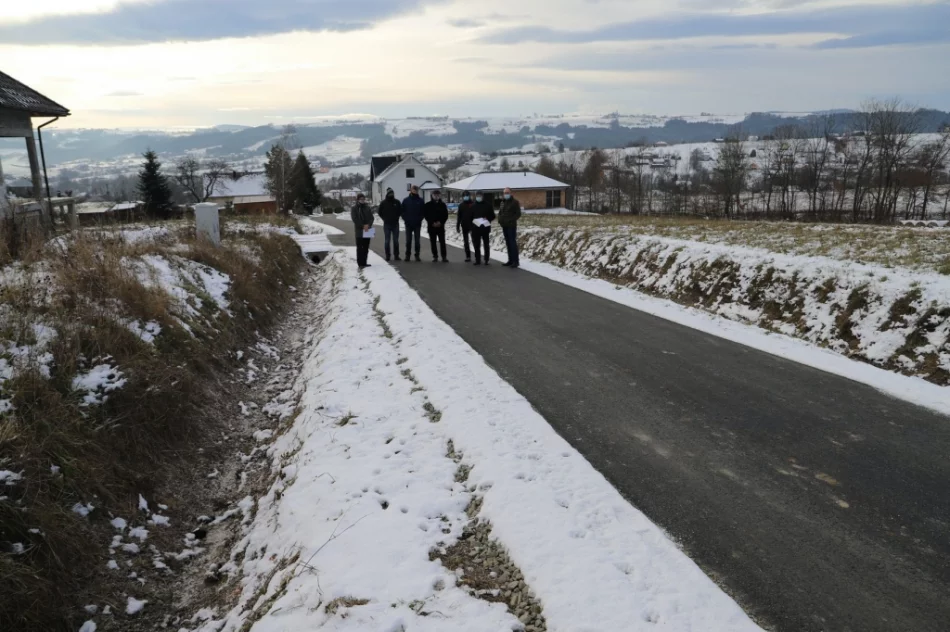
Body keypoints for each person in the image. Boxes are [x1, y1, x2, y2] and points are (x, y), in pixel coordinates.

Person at [498, 186, 522, 268]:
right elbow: (500, 213)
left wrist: (511, 220)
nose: (506, 194)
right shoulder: (502, 202)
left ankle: (516, 261)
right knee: (508, 243)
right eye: (505, 193)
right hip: (504, 226)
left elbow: (518, 214)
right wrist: (500, 220)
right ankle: (510, 260)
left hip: (511, 226)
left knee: (512, 243)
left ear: (511, 193)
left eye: (507, 193)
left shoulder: (515, 202)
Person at [350, 193, 374, 269]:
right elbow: (355, 219)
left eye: (363, 199)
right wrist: (362, 226)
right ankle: (360, 263)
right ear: (358, 200)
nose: (362, 200)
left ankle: (364, 262)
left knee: (366, 247)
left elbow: (371, 218)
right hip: (359, 230)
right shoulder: (354, 208)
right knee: (360, 247)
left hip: (368, 229)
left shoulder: (367, 208)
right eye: (361, 199)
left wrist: (368, 225)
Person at [471, 191, 495, 266]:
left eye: (480, 196)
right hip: (476, 228)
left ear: (482, 196)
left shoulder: (488, 205)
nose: (478, 197)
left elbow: (493, 216)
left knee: (486, 245)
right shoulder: (473, 206)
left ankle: (486, 259)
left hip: (485, 228)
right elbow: (470, 217)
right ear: (475, 196)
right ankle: (477, 259)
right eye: (477, 196)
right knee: (476, 245)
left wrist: (487, 218)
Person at [424, 190, 449, 262]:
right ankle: (435, 256)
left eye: (438, 195)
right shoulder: (428, 205)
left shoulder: (443, 205)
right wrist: (432, 222)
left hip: (440, 227)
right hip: (431, 227)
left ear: (440, 196)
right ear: (432, 196)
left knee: (442, 242)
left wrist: (441, 222)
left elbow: (445, 215)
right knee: (433, 242)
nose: (436, 196)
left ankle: (444, 256)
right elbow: (426, 215)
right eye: (435, 195)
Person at [378, 187, 402, 262]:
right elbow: (379, 212)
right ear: (387, 194)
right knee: (387, 241)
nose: (391, 194)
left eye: (392, 193)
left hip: (395, 224)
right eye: (390, 193)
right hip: (387, 224)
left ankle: (396, 255)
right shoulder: (383, 203)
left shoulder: (397, 202)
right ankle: (387, 255)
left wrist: (397, 217)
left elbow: (400, 211)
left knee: (396, 240)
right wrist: (384, 218)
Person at [401, 185, 425, 262]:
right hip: (408, 224)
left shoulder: (420, 200)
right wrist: (405, 219)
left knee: (417, 241)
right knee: (408, 241)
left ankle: (417, 255)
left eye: (416, 190)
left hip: (417, 224)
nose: (415, 191)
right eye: (413, 190)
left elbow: (423, 212)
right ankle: (407, 255)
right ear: (411, 190)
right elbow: (402, 211)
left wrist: (420, 219)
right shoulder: (406, 200)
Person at [456, 190, 475, 262]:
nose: (466, 197)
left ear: (469, 196)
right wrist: (457, 226)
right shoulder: (461, 205)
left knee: (474, 241)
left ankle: (477, 256)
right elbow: (459, 217)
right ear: (463, 197)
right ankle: (468, 256)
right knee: (466, 242)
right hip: (464, 226)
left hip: (472, 226)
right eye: (464, 196)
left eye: (467, 195)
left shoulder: (473, 204)